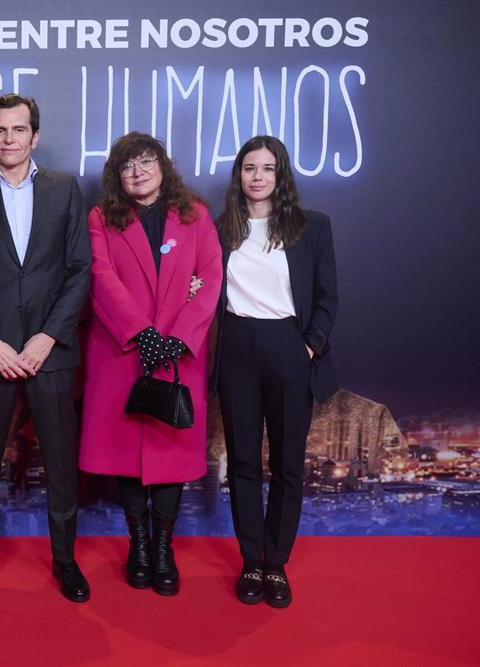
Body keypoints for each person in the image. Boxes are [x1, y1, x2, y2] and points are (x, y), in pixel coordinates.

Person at [0, 94, 92, 605]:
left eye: (18, 129)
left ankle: (65, 560)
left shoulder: (64, 189)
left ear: (35, 135)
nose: (9, 139)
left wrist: (47, 336)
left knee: (59, 465)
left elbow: (80, 268)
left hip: (50, 352)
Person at [79, 132, 222, 595]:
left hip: (178, 357)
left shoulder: (195, 215)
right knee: (126, 457)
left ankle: (163, 548)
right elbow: (100, 277)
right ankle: (138, 544)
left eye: (146, 161)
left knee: (169, 455)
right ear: (116, 177)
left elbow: (211, 277)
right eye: (127, 166)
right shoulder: (102, 218)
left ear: (163, 164)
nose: (138, 171)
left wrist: (177, 339)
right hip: (124, 352)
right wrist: (142, 333)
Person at [214, 135, 339, 608]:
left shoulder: (312, 227)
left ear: (280, 174)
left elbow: (328, 297)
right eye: (249, 167)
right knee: (244, 462)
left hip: (290, 347)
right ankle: (250, 561)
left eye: (267, 168)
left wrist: (309, 345)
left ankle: (276, 563)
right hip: (237, 349)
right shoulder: (221, 227)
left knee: (287, 465)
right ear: (239, 174)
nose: (258, 176)